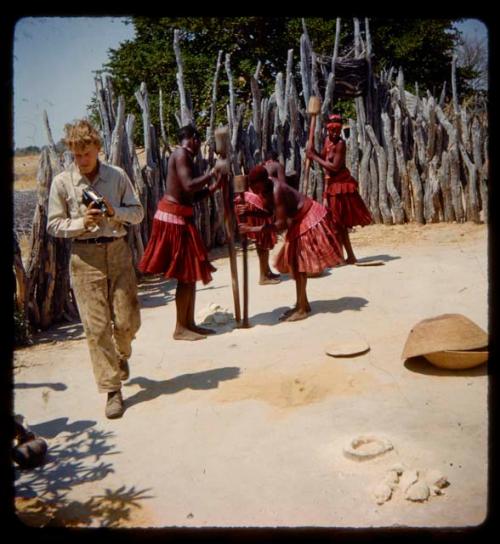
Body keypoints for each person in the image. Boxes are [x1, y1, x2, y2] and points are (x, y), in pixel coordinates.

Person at [47, 119, 144, 419]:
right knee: (96, 328)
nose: (82, 160)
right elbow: (53, 224)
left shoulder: (116, 177)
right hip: (84, 259)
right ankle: (112, 390)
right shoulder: (62, 183)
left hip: (117, 253)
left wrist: (115, 212)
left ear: (97, 149)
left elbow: (138, 213)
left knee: (128, 322)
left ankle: (122, 355)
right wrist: (81, 224)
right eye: (76, 155)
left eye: (86, 153)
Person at [138, 125, 223, 341]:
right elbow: (188, 185)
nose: (198, 146)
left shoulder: (185, 157)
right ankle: (180, 328)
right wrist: (212, 173)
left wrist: (214, 187)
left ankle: (189, 323)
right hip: (173, 220)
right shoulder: (181, 154)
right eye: (198, 141)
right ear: (193, 138)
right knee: (185, 275)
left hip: (181, 217)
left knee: (190, 275)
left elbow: (191, 196)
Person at [237, 166, 344, 322]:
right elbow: (269, 212)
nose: (253, 190)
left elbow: (280, 224)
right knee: (295, 263)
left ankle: (302, 308)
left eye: (254, 186)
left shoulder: (277, 190)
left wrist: (251, 228)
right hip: (297, 220)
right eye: (251, 187)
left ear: (262, 182)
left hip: (307, 216)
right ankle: (302, 303)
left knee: (299, 262)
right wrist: (248, 212)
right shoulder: (264, 190)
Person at [306, 113, 372, 264]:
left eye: (337, 130)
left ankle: (344, 256)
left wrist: (314, 157)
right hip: (331, 186)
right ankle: (344, 256)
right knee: (336, 222)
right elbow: (324, 159)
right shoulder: (327, 140)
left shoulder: (341, 144)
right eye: (332, 130)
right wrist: (312, 152)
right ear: (327, 129)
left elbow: (335, 167)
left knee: (338, 222)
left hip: (341, 186)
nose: (334, 133)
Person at [234, 173, 280, 285]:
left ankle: (266, 271)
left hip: (254, 208)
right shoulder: (262, 183)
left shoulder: (265, 182)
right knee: (262, 244)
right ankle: (263, 276)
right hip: (254, 209)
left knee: (264, 243)